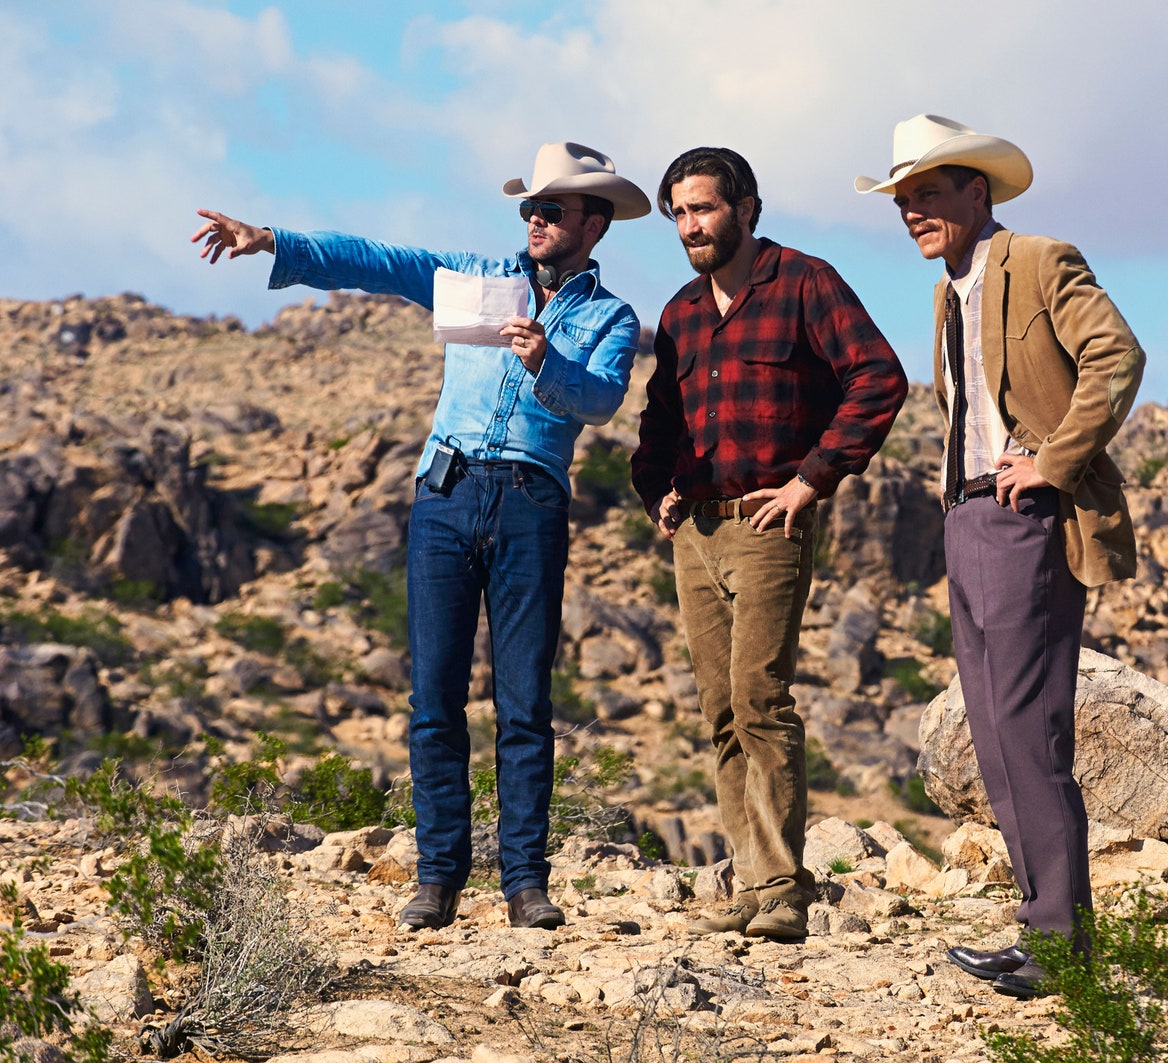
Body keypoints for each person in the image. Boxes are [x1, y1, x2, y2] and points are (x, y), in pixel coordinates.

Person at [191, 142, 652, 931]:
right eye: (530, 208)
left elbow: (602, 400)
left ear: (594, 223)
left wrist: (548, 365)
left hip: (531, 504)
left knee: (523, 703)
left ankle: (524, 883)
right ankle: (438, 877)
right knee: (434, 696)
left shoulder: (612, 316)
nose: (535, 219)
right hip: (445, 492)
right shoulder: (479, 277)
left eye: (552, 209)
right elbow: (380, 261)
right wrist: (272, 240)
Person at [856, 115, 1145, 996]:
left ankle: (1061, 944)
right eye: (904, 201)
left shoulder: (1043, 259)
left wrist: (1051, 460)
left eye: (929, 195)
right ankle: (1042, 933)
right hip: (967, 518)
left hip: (1031, 518)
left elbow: (1117, 355)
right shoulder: (948, 291)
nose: (913, 213)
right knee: (993, 735)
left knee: (1029, 731)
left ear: (977, 192)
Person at [633, 147, 907, 942]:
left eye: (704, 208)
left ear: (747, 208)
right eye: (679, 213)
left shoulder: (803, 281)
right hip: (698, 531)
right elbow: (656, 423)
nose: (691, 225)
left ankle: (785, 886)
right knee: (720, 710)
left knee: (760, 697)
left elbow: (877, 377)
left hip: (767, 525)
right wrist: (659, 492)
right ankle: (751, 884)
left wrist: (812, 480)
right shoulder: (682, 312)